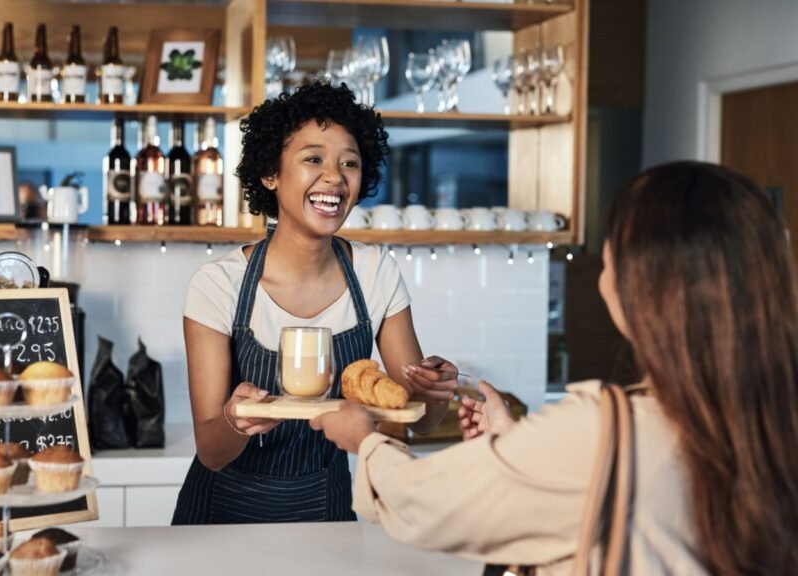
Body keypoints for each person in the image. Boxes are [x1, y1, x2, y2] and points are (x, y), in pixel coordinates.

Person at [313, 162, 798, 574]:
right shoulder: (771, 420)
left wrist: (365, 440)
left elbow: (425, 503)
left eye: (613, 257)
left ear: (645, 289)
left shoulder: (604, 429)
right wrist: (513, 447)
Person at [172, 82, 460, 525]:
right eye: (313, 159)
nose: (335, 177)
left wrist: (435, 391)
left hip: (325, 509)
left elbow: (416, 420)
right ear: (270, 173)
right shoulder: (219, 285)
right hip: (221, 517)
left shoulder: (374, 272)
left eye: (350, 163)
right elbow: (211, 451)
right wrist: (236, 420)